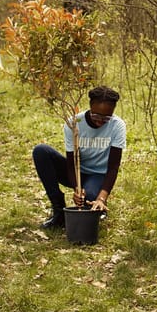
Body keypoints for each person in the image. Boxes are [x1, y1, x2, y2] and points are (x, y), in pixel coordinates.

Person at [32, 86, 127, 229]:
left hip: (98, 175)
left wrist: (101, 198)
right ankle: (59, 211)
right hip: (76, 171)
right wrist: (77, 188)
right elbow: (70, 163)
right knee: (41, 151)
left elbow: (113, 167)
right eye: (96, 116)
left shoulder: (117, 126)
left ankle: (98, 204)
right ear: (90, 107)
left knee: (89, 203)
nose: (100, 121)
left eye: (106, 118)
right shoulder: (74, 123)